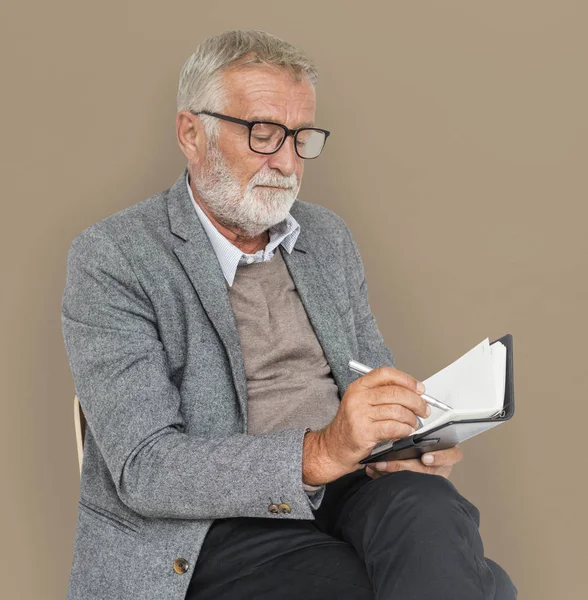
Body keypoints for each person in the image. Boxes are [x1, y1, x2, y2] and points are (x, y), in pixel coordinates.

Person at [61, 29, 517, 600]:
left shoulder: (326, 237)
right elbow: (146, 468)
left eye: (301, 137)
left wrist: (403, 441)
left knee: (431, 507)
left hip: (351, 490)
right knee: (468, 585)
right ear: (190, 133)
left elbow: (368, 379)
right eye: (262, 133)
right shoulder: (114, 256)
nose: (286, 160)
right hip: (210, 527)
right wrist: (321, 451)